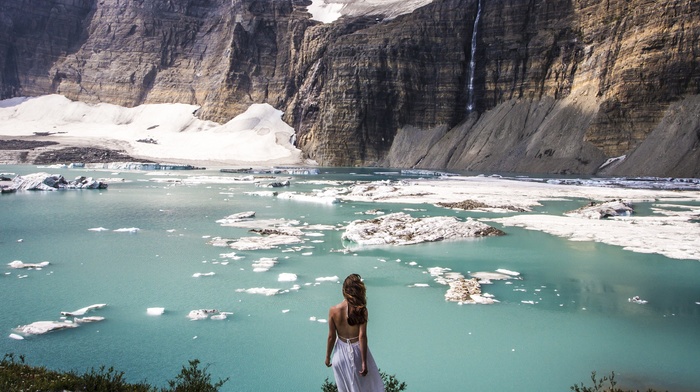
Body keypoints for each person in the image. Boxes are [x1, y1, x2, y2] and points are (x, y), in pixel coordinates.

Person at [325, 274, 384, 392]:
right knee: (371, 387)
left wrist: (327, 357)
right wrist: (364, 362)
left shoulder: (333, 310)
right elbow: (362, 337)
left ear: (344, 290)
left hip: (339, 356)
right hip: (357, 354)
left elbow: (331, 337)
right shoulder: (361, 310)